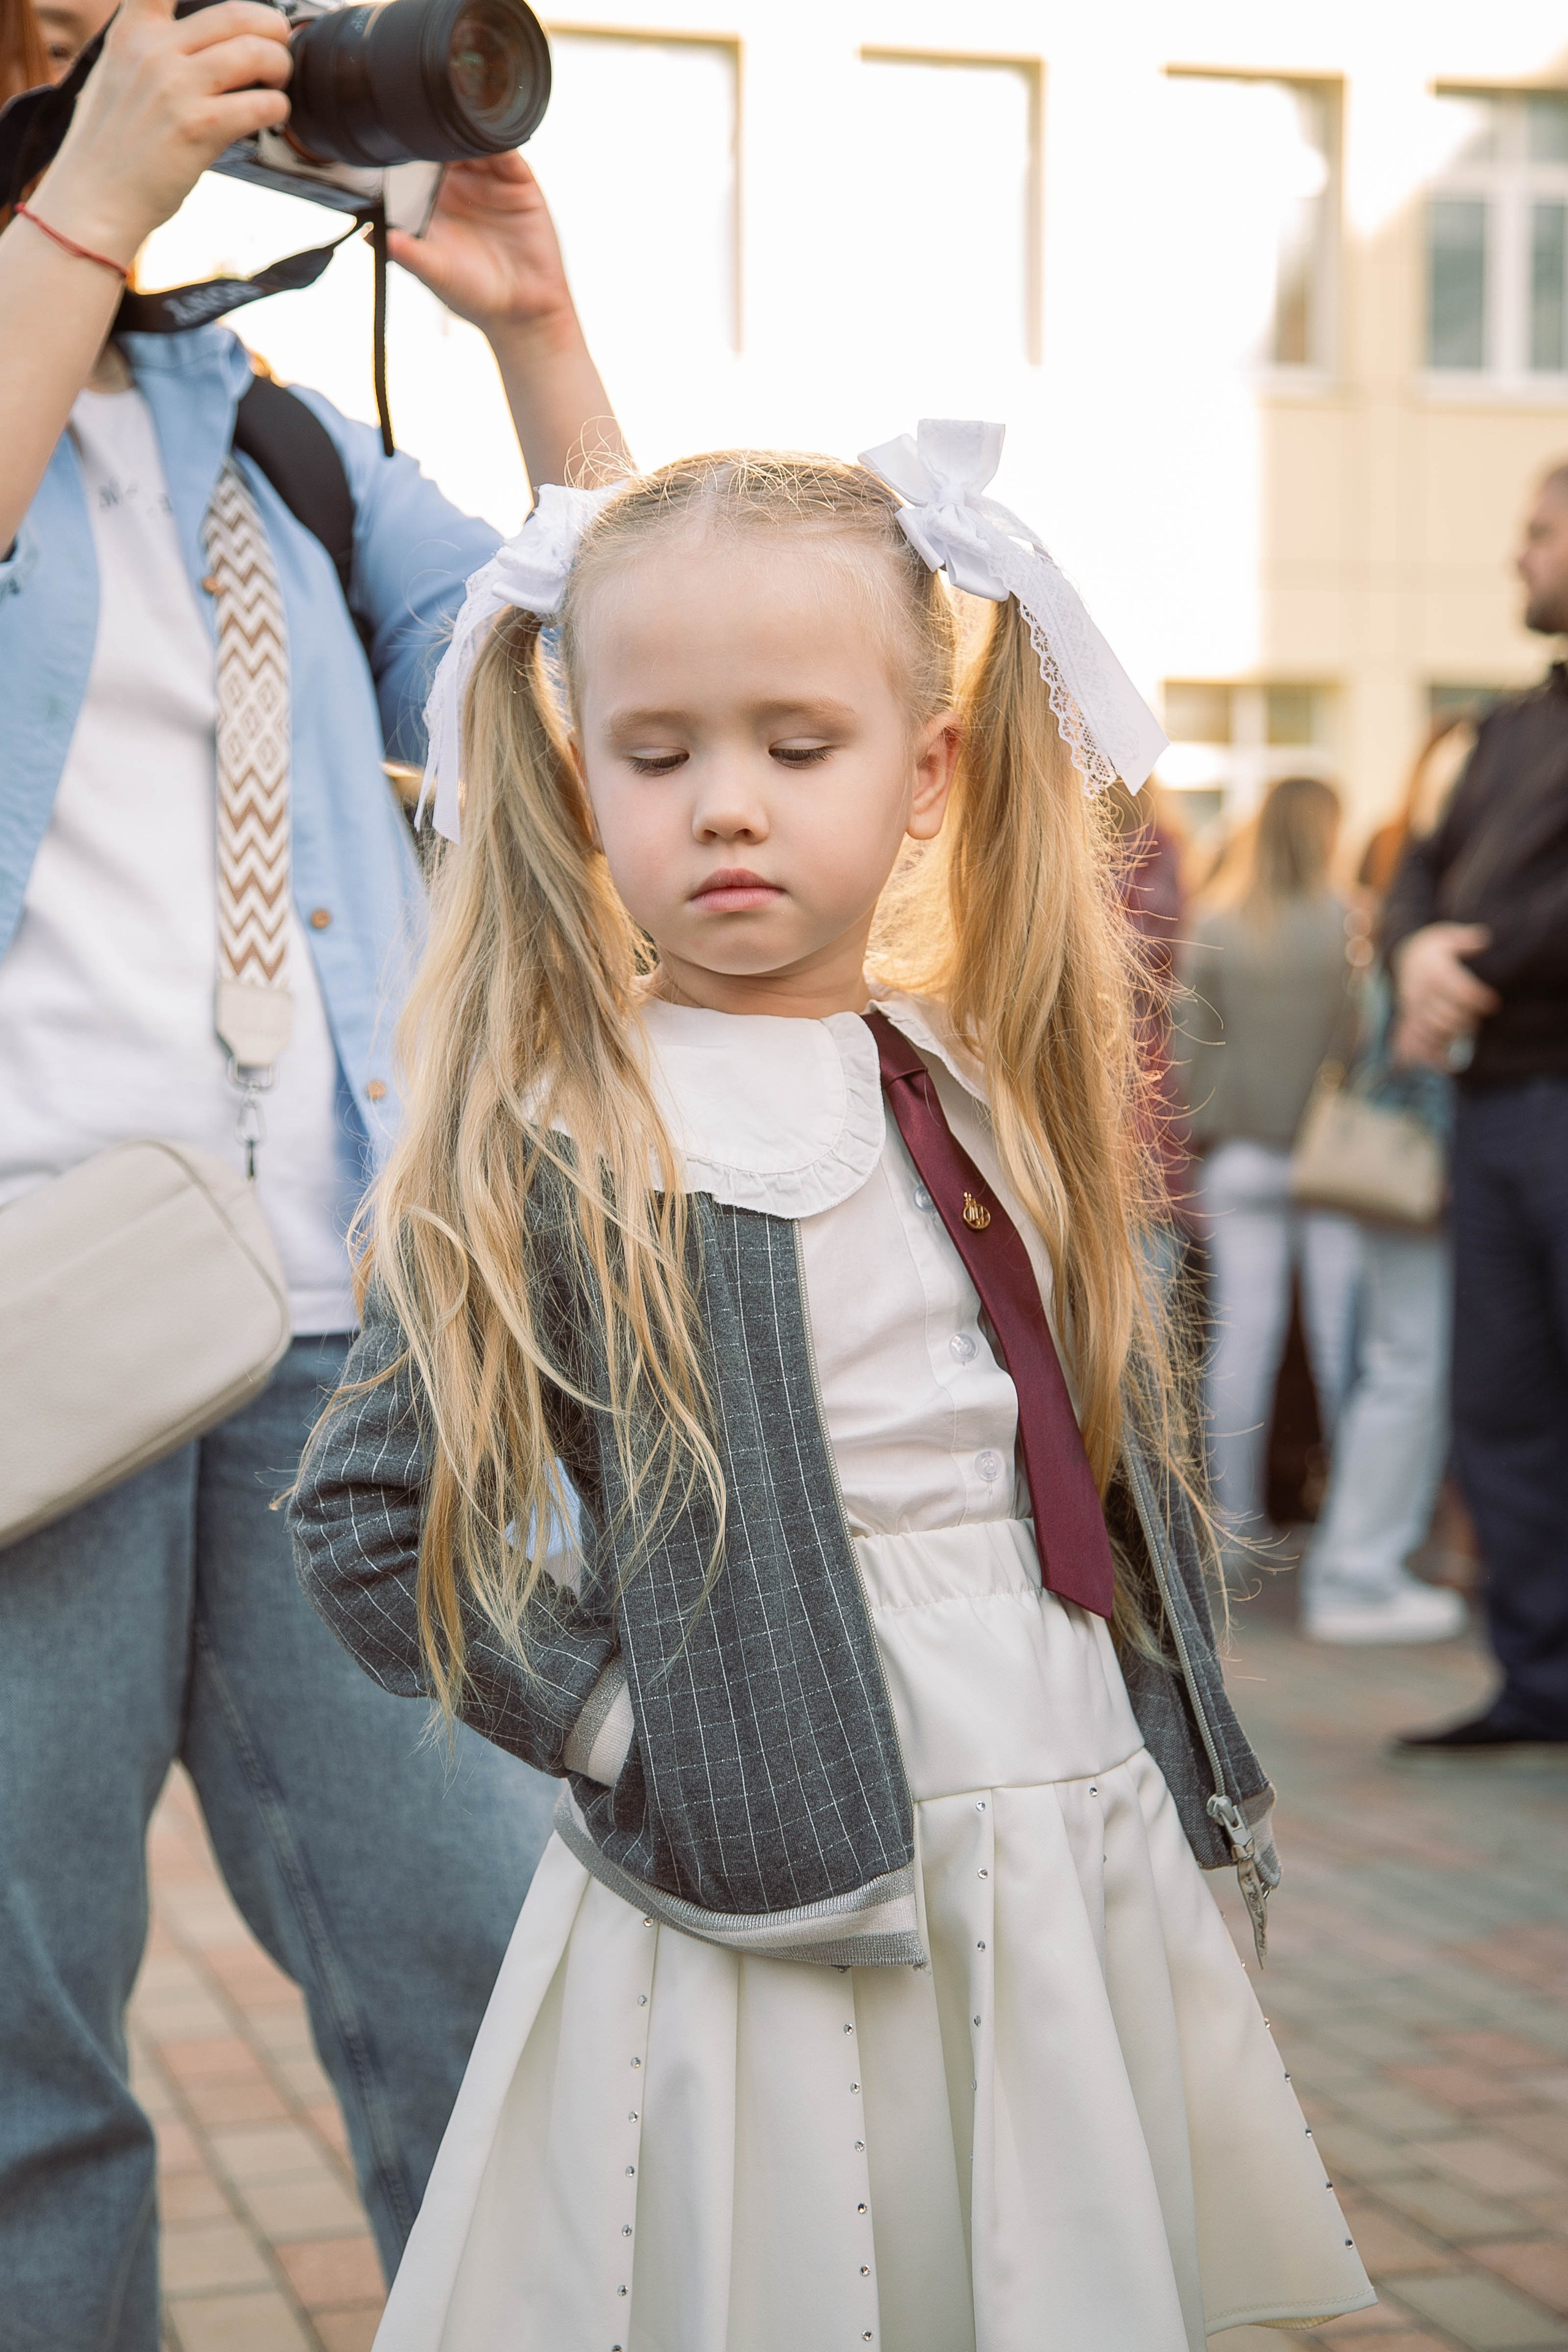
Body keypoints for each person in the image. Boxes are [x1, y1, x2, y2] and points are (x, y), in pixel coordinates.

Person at [290, 434, 1373, 2348]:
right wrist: (631, 1731)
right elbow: (371, 1522)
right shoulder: (572, 1126)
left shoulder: (975, 1075)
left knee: (1031, 2248)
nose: (726, 808)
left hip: (1049, 1792)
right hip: (765, 1845)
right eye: (659, 753)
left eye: (797, 750)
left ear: (926, 770)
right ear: (578, 774)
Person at [0, 0, 626, 2337]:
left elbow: (611, 700)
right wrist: (85, 205)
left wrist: (535, 332)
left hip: (327, 1352)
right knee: (16, 2069)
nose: (128, 41)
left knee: (497, 1979)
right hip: (18, 1345)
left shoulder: (274, 439)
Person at [1384, 464, 1568, 1747]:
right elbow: (1409, 864)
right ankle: (1539, 1681)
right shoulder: (1500, 731)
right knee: (1498, 1406)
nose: (1517, 559)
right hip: (1497, 1116)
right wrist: (1408, 951)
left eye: (1536, 535)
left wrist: (1468, 965)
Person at [1298, 721, 1472, 1645]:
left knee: (1400, 1364)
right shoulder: (1427, 897)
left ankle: (1364, 1566)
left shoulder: (1393, 879)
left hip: (1400, 1158)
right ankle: (1360, 1574)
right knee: (1410, 1367)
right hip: (1416, 1163)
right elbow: (1408, 1050)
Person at [1173, 775, 1363, 1556]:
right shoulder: (1345, 927)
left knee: (1241, 1347)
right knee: (1340, 1347)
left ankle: (1233, 1526)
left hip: (1237, 1157)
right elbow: (1359, 1045)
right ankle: (1353, 1532)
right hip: (1333, 1162)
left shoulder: (1215, 921)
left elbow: (1184, 1060)